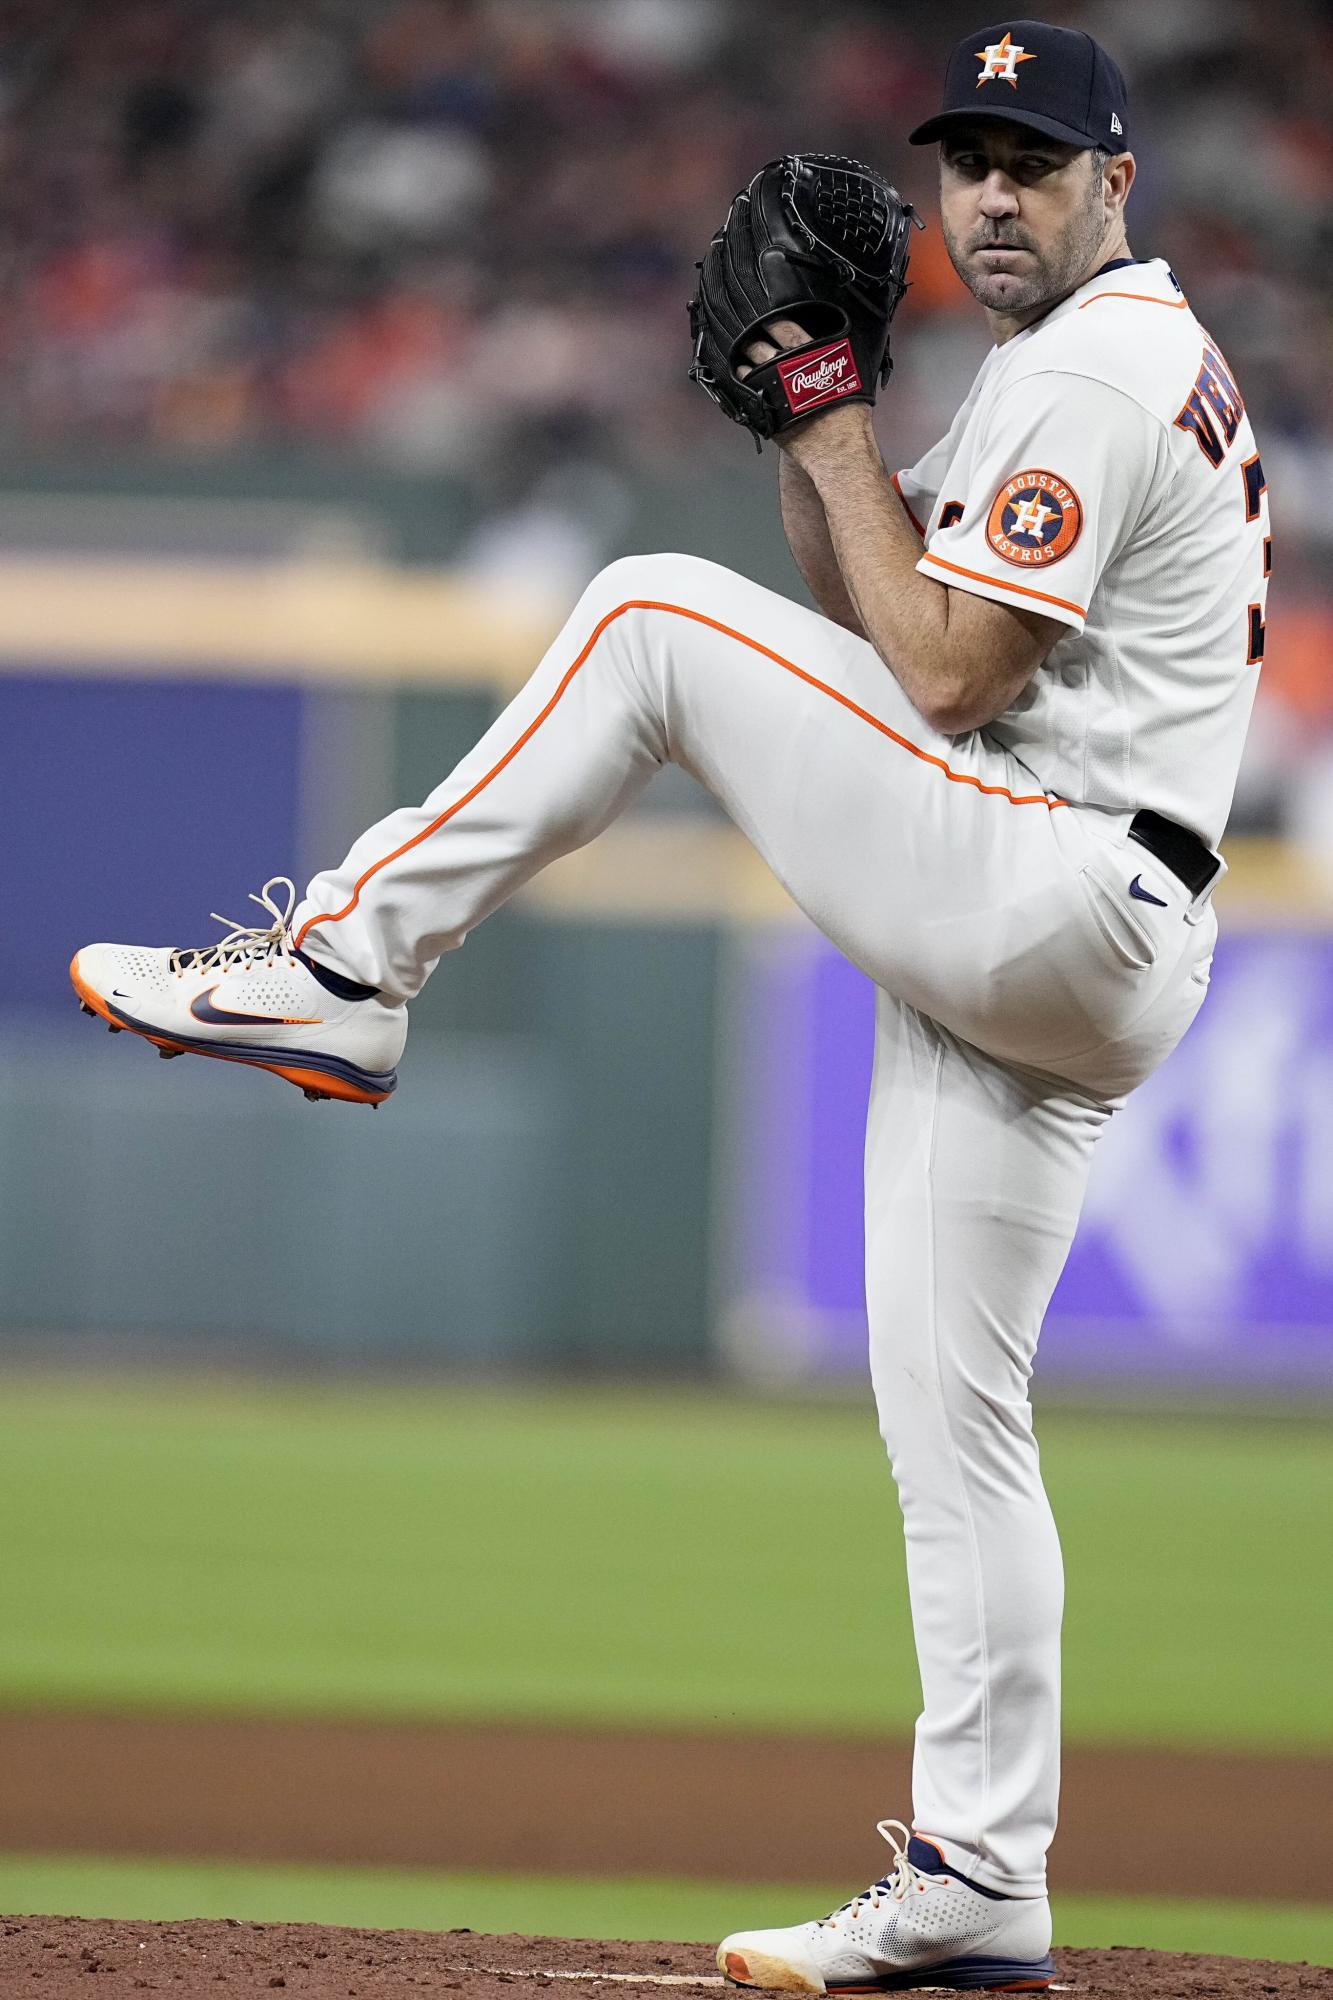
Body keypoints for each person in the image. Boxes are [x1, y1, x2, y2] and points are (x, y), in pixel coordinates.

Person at [72, 19, 1267, 1993]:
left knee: (640, 612)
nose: (985, 190)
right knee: (957, 1427)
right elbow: (886, 627)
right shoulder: (1078, 371)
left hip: (1052, 871)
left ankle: (346, 963)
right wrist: (823, 426)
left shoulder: (1106, 364)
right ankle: (982, 1877)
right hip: (1079, 920)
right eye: (964, 157)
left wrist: (821, 429)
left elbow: (950, 674)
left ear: (1113, 185)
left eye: (1031, 161)